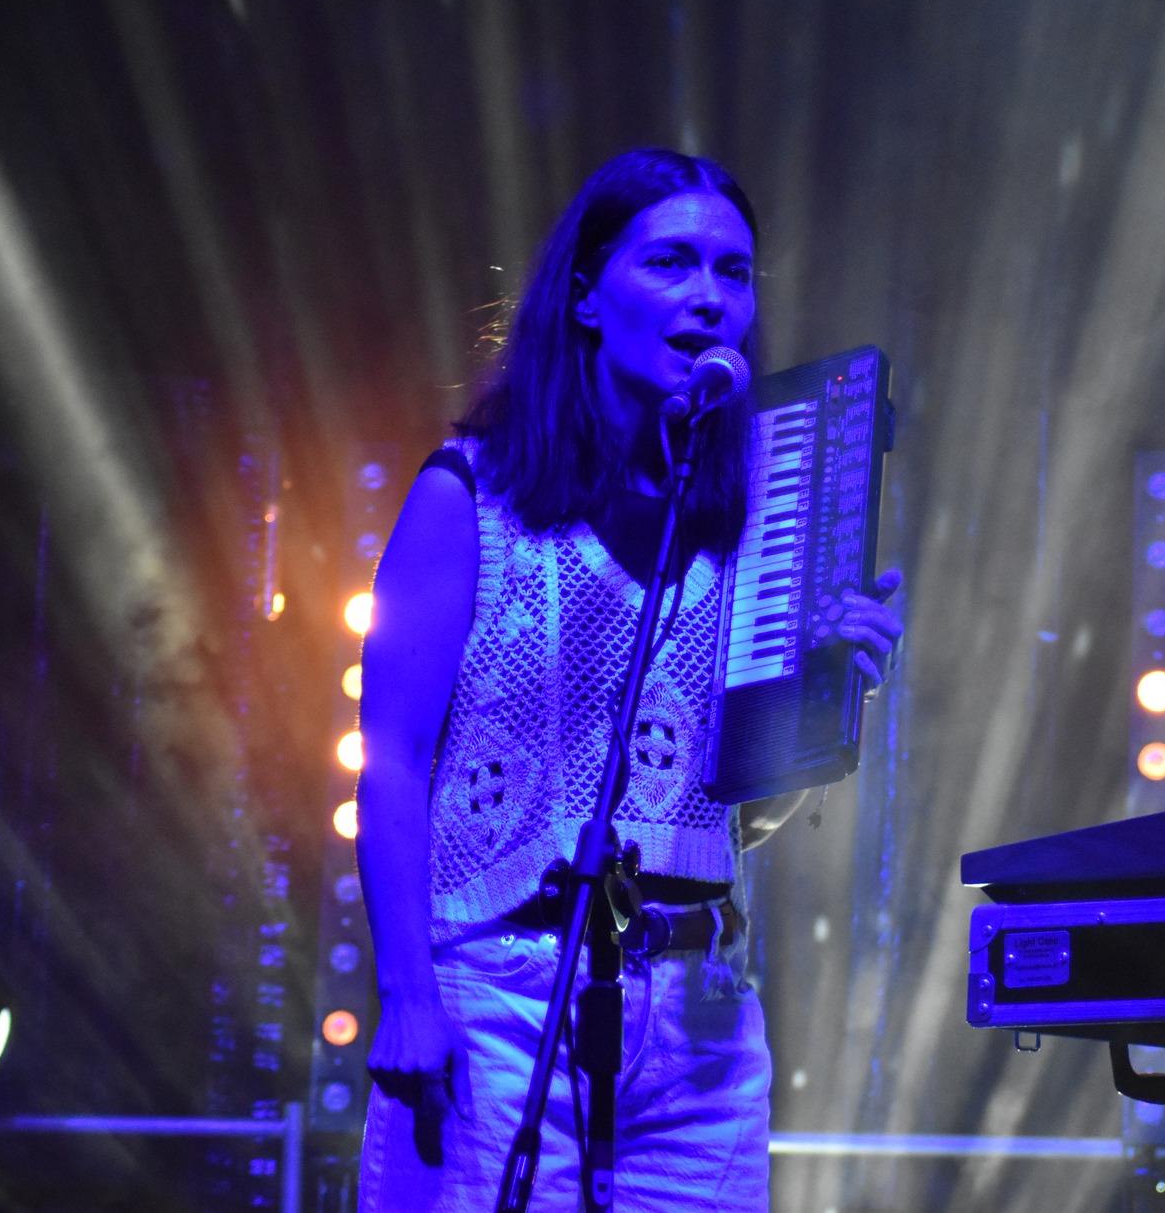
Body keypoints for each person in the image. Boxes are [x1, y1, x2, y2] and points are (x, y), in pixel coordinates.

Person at [354, 148, 903, 1210]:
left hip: (700, 1027)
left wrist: (828, 699)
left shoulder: (754, 533)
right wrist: (407, 993)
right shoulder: (468, 497)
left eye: (733, 272)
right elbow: (391, 763)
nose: (709, 296)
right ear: (586, 297)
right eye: (671, 263)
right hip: (498, 998)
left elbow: (730, 819)